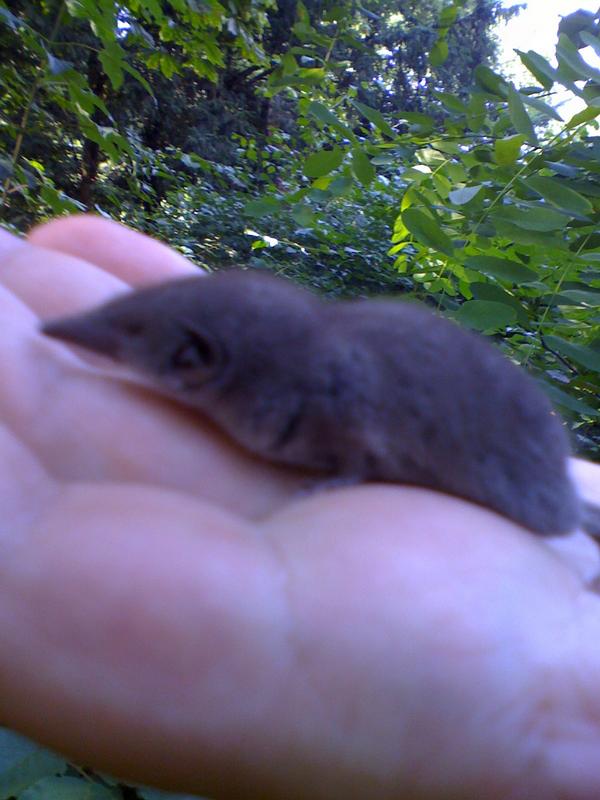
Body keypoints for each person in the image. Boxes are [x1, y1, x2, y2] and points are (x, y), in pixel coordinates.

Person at [1, 214, 600, 800]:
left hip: (518, 474)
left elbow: (362, 424)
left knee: (554, 514)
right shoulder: (288, 374)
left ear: (195, 361)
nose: (88, 341)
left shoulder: (296, 403)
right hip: (495, 439)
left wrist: (353, 473)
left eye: (127, 342)